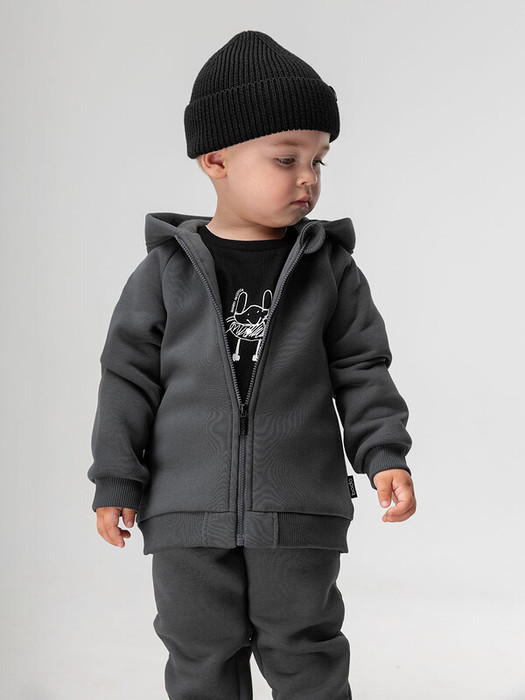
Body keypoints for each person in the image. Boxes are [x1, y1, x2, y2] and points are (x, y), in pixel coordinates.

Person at [87, 29, 417, 700]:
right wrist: (117, 478)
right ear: (215, 159)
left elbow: (362, 367)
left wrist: (384, 453)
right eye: (286, 158)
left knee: (303, 647)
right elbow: (127, 380)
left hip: (298, 507)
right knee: (198, 651)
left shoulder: (331, 271)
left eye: (319, 160)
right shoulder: (163, 274)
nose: (308, 178)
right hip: (185, 509)